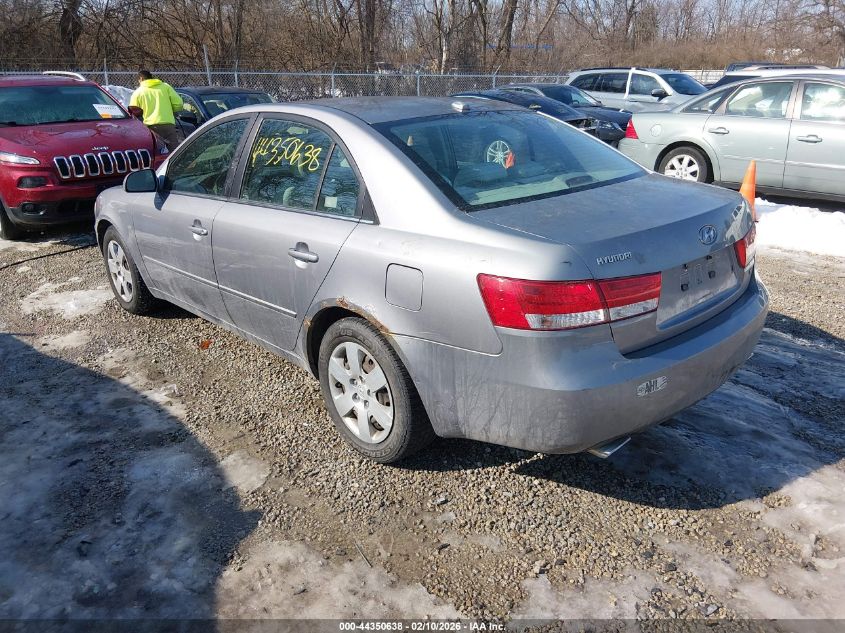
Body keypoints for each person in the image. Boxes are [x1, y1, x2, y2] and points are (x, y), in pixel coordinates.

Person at [129, 70, 185, 152]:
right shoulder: (165, 87)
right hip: (168, 124)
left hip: (150, 127)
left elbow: (133, 111)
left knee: (156, 152)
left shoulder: (138, 92)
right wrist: (169, 110)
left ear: (140, 79)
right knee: (174, 152)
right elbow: (179, 104)